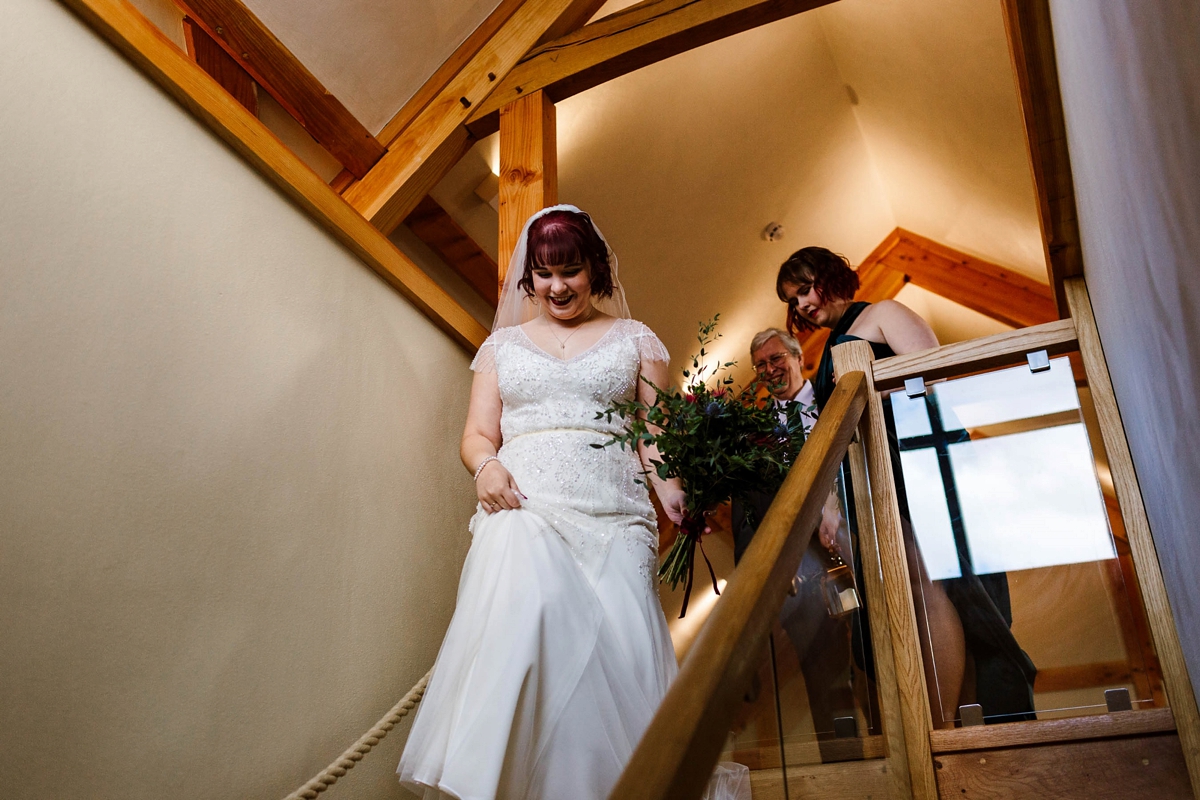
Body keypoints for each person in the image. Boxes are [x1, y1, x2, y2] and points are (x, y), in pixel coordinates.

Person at [398, 206, 747, 800]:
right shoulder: (501, 348)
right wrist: (485, 466)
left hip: (616, 521)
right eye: (544, 273)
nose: (557, 287)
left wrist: (676, 497)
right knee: (530, 627)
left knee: (623, 663)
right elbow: (478, 434)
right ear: (528, 278)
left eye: (572, 271)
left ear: (595, 271)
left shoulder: (637, 341)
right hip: (525, 509)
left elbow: (653, 438)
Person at [776, 246, 1036, 727]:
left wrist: (871, 398)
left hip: (922, 460)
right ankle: (936, 722)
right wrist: (832, 500)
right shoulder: (828, 354)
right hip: (876, 476)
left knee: (946, 588)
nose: (802, 305)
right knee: (912, 592)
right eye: (793, 299)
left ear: (831, 277)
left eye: (805, 288)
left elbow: (933, 371)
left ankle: (944, 723)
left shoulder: (882, 314)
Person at [731, 328, 860, 736]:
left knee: (876, 657)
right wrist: (754, 576)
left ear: (797, 356)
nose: (770, 369)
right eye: (761, 366)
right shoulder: (752, 433)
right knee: (825, 679)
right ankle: (847, 776)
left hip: (860, 549)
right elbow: (746, 511)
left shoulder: (835, 399)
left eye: (776, 359)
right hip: (805, 578)